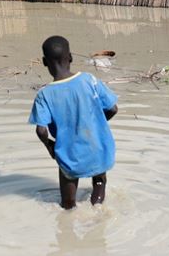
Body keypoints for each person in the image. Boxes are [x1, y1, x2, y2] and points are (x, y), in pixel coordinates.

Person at [29, 36, 118, 209]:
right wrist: (96, 125)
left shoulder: (44, 94)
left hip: (70, 155)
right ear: (70, 57)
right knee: (99, 182)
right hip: (97, 149)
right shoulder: (89, 80)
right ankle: (97, 209)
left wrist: (50, 146)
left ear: (45, 62)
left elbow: (41, 130)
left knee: (68, 202)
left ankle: (69, 218)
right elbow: (113, 109)